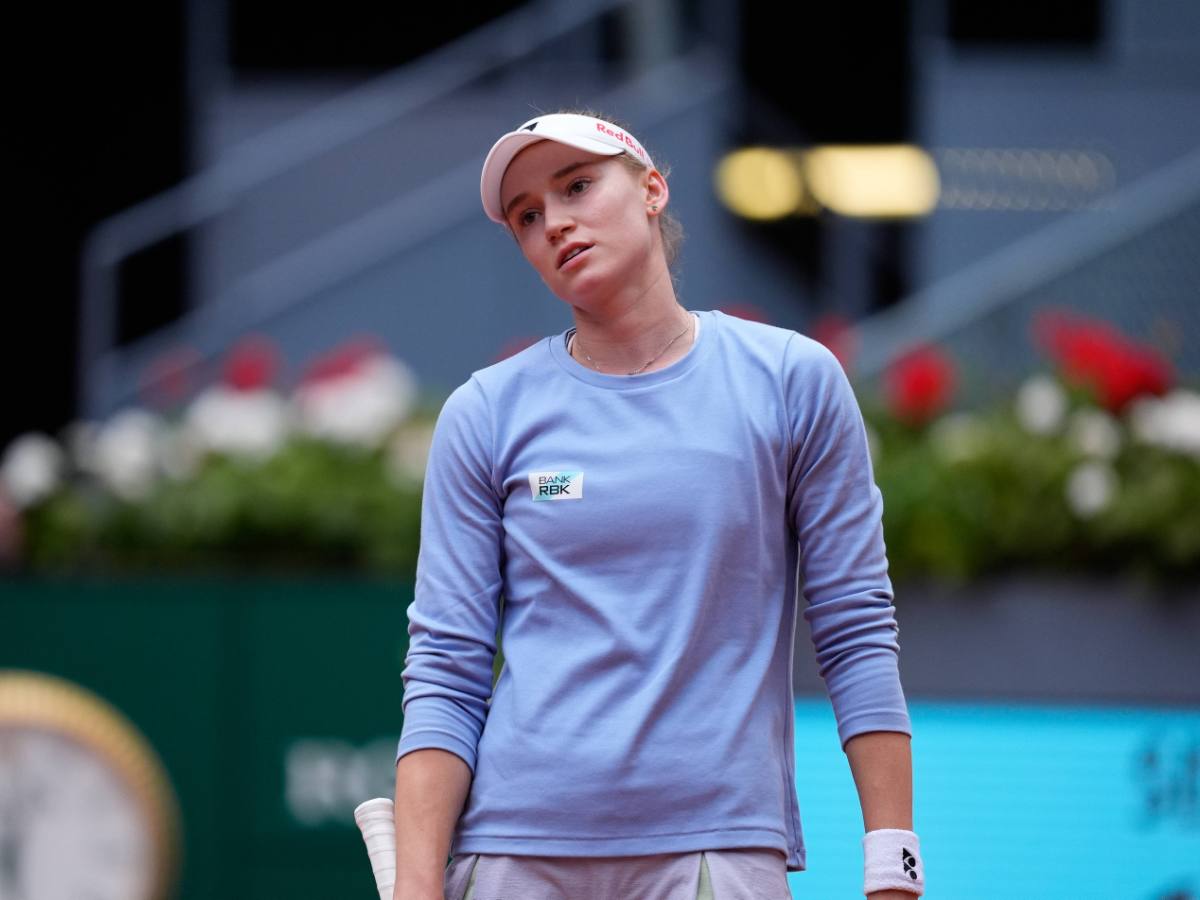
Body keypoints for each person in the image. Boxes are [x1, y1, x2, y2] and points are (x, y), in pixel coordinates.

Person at [391, 111, 924, 900]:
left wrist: (895, 870)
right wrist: (415, 888)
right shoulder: (484, 414)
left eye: (577, 186)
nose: (556, 223)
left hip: (719, 846)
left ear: (651, 190)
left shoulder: (792, 380)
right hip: (511, 852)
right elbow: (446, 670)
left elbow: (855, 628)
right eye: (528, 216)